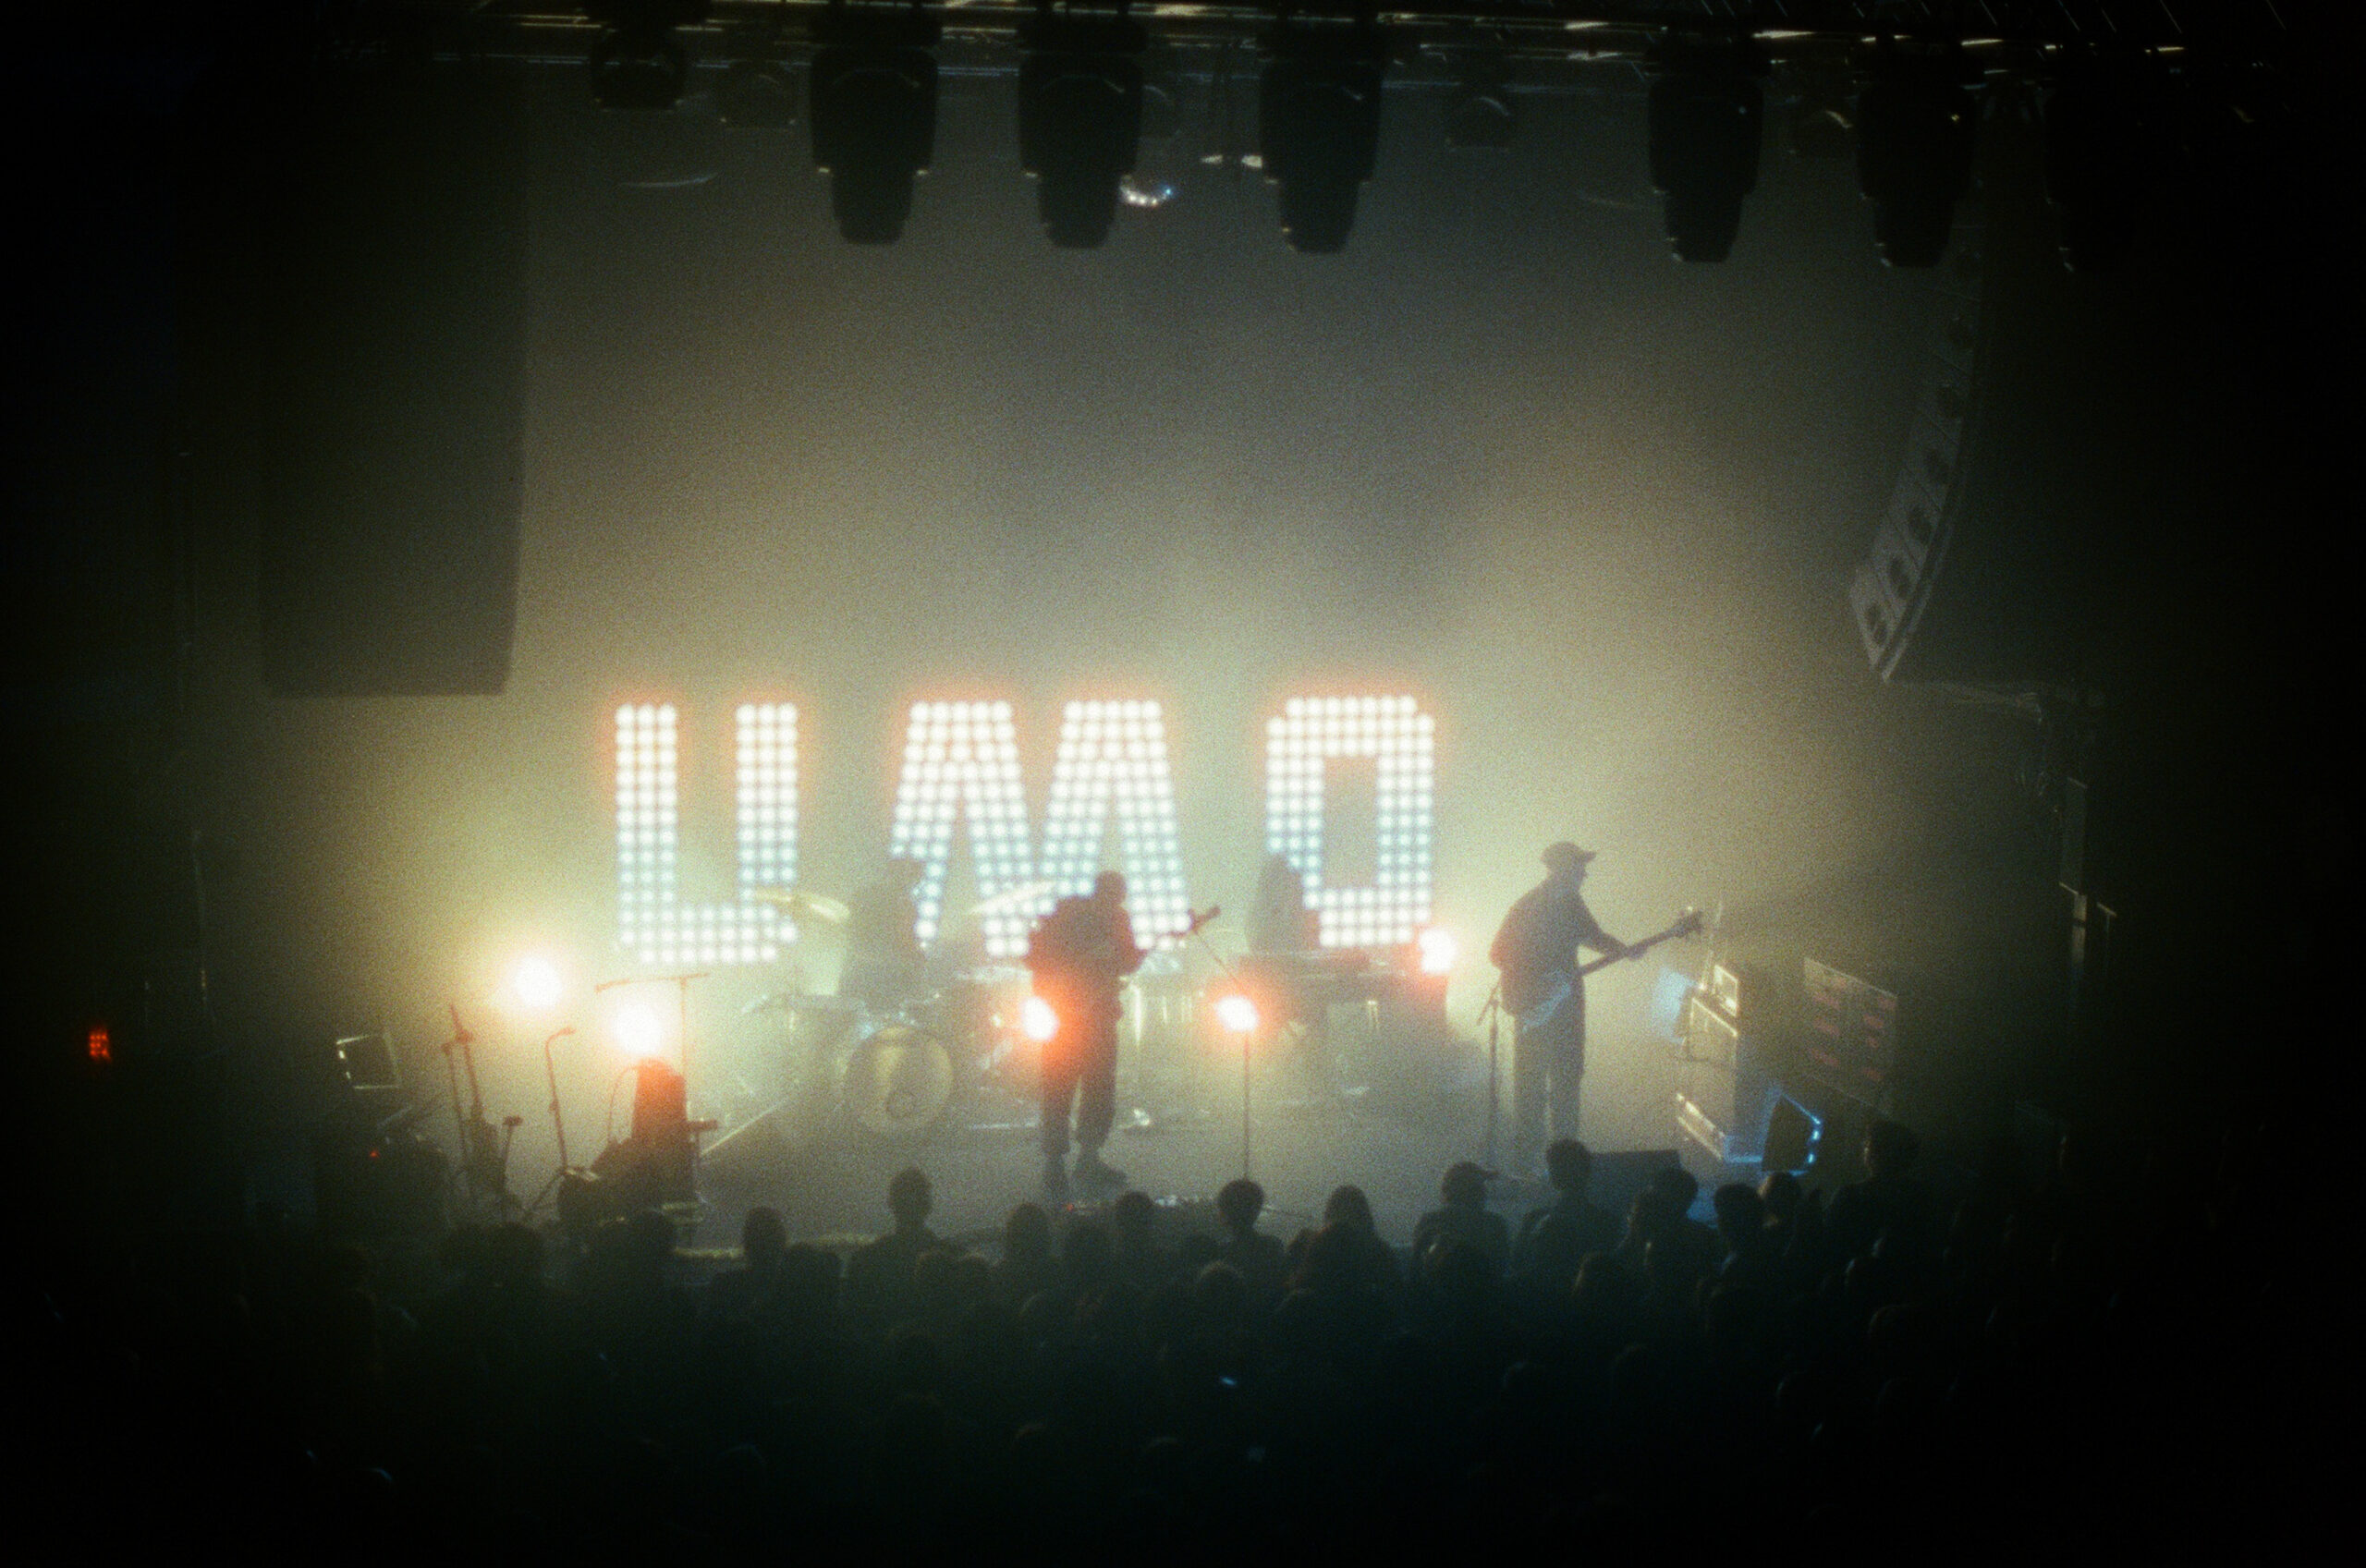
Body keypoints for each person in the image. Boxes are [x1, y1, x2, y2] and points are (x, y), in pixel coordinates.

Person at [1489, 842, 1631, 1176]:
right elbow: (1497, 953)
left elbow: (1593, 937)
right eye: (1579, 867)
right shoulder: (1527, 906)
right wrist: (1537, 983)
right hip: (1537, 1010)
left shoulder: (1572, 904)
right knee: (1531, 1089)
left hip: (1566, 1010)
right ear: (1561, 869)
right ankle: (1528, 1168)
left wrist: (1622, 949)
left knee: (1566, 1083)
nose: (1584, 874)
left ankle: (1565, 1168)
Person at [1026, 871, 1144, 1196]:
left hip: (1078, 1015)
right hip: (1075, 1016)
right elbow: (1127, 961)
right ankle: (1071, 1160)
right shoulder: (1079, 916)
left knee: (1078, 1087)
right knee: (1079, 1087)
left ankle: (1067, 1161)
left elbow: (1127, 960)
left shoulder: (1068, 914)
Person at [1511, 1137, 1621, 1301]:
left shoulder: (1534, 1220)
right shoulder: (1607, 1221)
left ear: (1554, 1174)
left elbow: (1517, 1263)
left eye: (1554, 1167)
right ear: (1587, 1171)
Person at [839, 857, 927, 1010]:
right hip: (887, 979)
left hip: (856, 974)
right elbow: (905, 941)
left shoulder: (863, 896)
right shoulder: (903, 904)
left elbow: (848, 932)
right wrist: (919, 958)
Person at [1412, 1161, 1511, 1279]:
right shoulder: (1495, 1223)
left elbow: (1418, 1267)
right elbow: (1502, 1267)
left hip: (1438, 1289)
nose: (1485, 1191)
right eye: (1480, 1186)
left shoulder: (1429, 1221)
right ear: (1475, 1190)